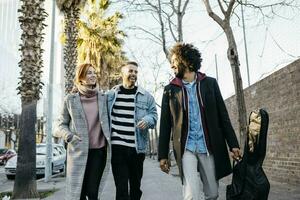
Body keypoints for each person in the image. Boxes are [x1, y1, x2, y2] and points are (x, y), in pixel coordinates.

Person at [158, 43, 242, 200]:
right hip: (186, 148)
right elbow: (165, 125)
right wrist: (163, 155)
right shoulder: (170, 90)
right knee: (191, 194)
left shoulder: (210, 84)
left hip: (207, 146)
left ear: (188, 62)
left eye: (175, 60)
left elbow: (223, 116)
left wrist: (234, 144)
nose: (172, 65)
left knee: (212, 193)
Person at [55, 63, 110, 200]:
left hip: (98, 152)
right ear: (80, 78)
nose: (93, 75)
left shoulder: (104, 98)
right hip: (77, 152)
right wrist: (69, 136)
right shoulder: (70, 100)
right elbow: (59, 125)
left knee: (92, 193)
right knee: (77, 194)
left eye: (94, 72)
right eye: (88, 73)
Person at [107, 61, 158, 200]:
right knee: (121, 190)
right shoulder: (110, 95)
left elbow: (154, 115)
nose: (133, 74)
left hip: (137, 149)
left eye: (135, 72)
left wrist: (147, 120)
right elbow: (93, 99)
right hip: (118, 149)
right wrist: (78, 90)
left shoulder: (146, 96)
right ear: (122, 73)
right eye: (130, 71)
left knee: (135, 188)